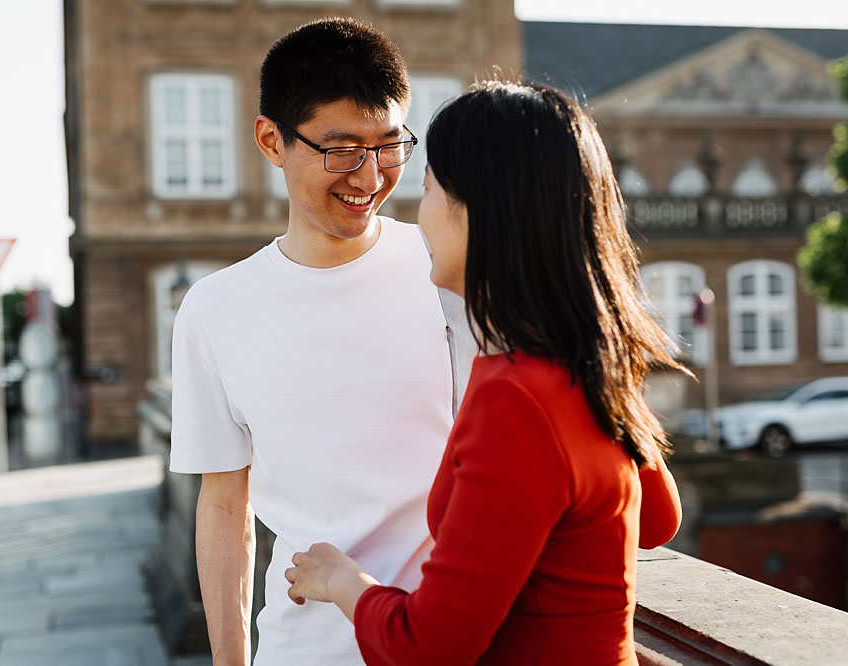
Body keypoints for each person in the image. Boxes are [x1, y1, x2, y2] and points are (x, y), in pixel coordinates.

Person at [284, 80, 686, 665]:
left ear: (479, 211)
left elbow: (429, 649)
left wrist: (341, 581)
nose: (418, 217)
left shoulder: (518, 398)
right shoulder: (582, 364)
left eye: (427, 190)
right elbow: (655, 518)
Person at [169, 17, 475, 666]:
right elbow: (225, 505)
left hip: (448, 642)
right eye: (341, 150)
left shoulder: (445, 268)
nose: (368, 179)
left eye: (389, 147)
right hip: (302, 648)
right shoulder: (214, 310)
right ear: (271, 141)